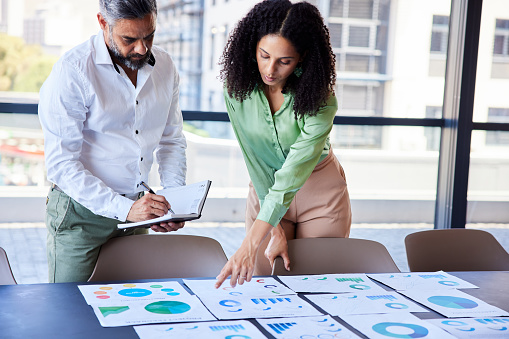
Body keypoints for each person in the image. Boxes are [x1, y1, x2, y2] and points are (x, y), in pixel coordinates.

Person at [38, 0, 187, 283]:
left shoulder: (165, 66)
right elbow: (61, 164)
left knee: (134, 304)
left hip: (139, 209)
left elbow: (171, 140)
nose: (142, 49)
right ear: (103, 23)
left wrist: (174, 200)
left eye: (149, 36)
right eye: (129, 39)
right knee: (73, 311)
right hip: (80, 215)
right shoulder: (72, 71)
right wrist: (125, 209)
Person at [215, 0, 352, 288]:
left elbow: (294, 172)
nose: (270, 69)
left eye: (284, 61)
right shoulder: (237, 90)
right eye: (264, 55)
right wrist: (270, 224)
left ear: (302, 57)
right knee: (266, 286)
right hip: (265, 188)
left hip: (318, 192)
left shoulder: (321, 100)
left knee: (316, 286)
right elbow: (254, 159)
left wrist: (249, 242)